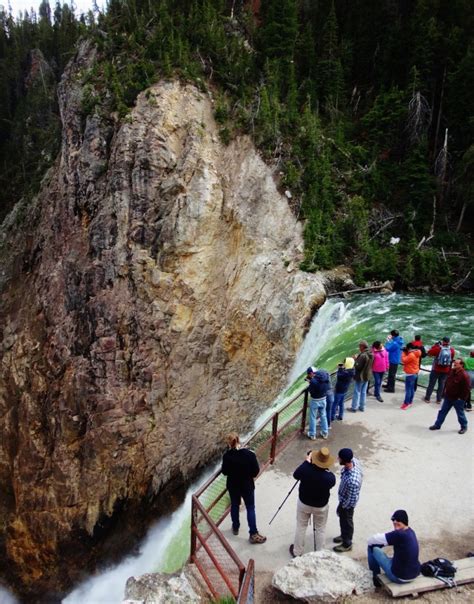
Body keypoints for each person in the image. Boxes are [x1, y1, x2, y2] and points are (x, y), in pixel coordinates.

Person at [289, 447, 336, 557]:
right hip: (321, 506)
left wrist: (307, 462)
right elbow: (330, 481)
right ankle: (320, 553)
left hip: (304, 503)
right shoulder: (330, 477)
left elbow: (296, 475)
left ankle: (297, 552)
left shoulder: (306, 469)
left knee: (301, 526)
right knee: (320, 529)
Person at [221, 432, 266, 543]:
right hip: (247, 486)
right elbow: (255, 471)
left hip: (233, 486)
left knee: (235, 505)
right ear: (238, 440)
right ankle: (253, 534)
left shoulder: (227, 456)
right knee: (250, 508)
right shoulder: (249, 454)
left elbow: (224, 472)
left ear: (228, 443)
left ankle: (235, 527)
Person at [367, 509, 420, 586]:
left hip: (399, 577)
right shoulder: (411, 532)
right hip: (414, 574)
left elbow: (370, 540)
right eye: (393, 521)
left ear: (404, 521)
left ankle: (375, 578)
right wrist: (384, 542)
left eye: (398, 521)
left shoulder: (398, 534)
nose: (395, 523)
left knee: (372, 547)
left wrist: (381, 544)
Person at [429, 358, 470, 434]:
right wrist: (444, 393)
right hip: (448, 397)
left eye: (456, 363)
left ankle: (464, 426)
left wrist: (461, 398)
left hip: (457, 399)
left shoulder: (464, 376)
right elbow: (447, 382)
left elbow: (466, 389)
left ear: (461, 365)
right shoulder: (451, 372)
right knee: (442, 411)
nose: (454, 364)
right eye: (454, 362)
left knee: (460, 414)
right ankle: (437, 425)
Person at [333, 448, 363, 553]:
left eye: (339, 458)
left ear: (345, 461)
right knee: (343, 520)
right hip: (343, 500)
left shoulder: (353, 480)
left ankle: (347, 543)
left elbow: (352, 499)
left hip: (347, 504)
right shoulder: (353, 461)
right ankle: (343, 535)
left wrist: (343, 507)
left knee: (347, 521)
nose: (338, 459)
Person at [423, 336, 455, 404]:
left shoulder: (438, 349)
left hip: (436, 369)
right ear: (449, 342)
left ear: (443, 341)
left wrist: (435, 345)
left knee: (431, 384)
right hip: (446, 370)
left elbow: (429, 352)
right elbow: (451, 359)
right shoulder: (452, 350)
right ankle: (438, 399)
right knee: (441, 385)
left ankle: (427, 398)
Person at [306, 366, 331, 440]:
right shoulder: (325, 376)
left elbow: (310, 391)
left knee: (313, 417)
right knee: (323, 416)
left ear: (311, 373)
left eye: (309, 374)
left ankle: (312, 434)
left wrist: (310, 382)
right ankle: (325, 433)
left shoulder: (313, 381)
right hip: (323, 399)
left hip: (315, 401)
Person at [348, 341, 373, 412]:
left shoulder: (362, 355)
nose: (359, 348)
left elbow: (358, 367)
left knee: (357, 392)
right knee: (363, 392)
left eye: (359, 346)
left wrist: (355, 360)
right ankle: (362, 407)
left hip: (360, 376)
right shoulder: (371, 354)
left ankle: (354, 407)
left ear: (362, 346)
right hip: (367, 375)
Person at [400, 343, 422, 409]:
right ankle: (410, 401)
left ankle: (406, 403)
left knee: (408, 390)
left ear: (409, 348)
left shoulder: (411, 355)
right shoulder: (416, 353)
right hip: (415, 373)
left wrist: (403, 352)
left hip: (410, 374)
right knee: (412, 389)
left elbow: (404, 360)